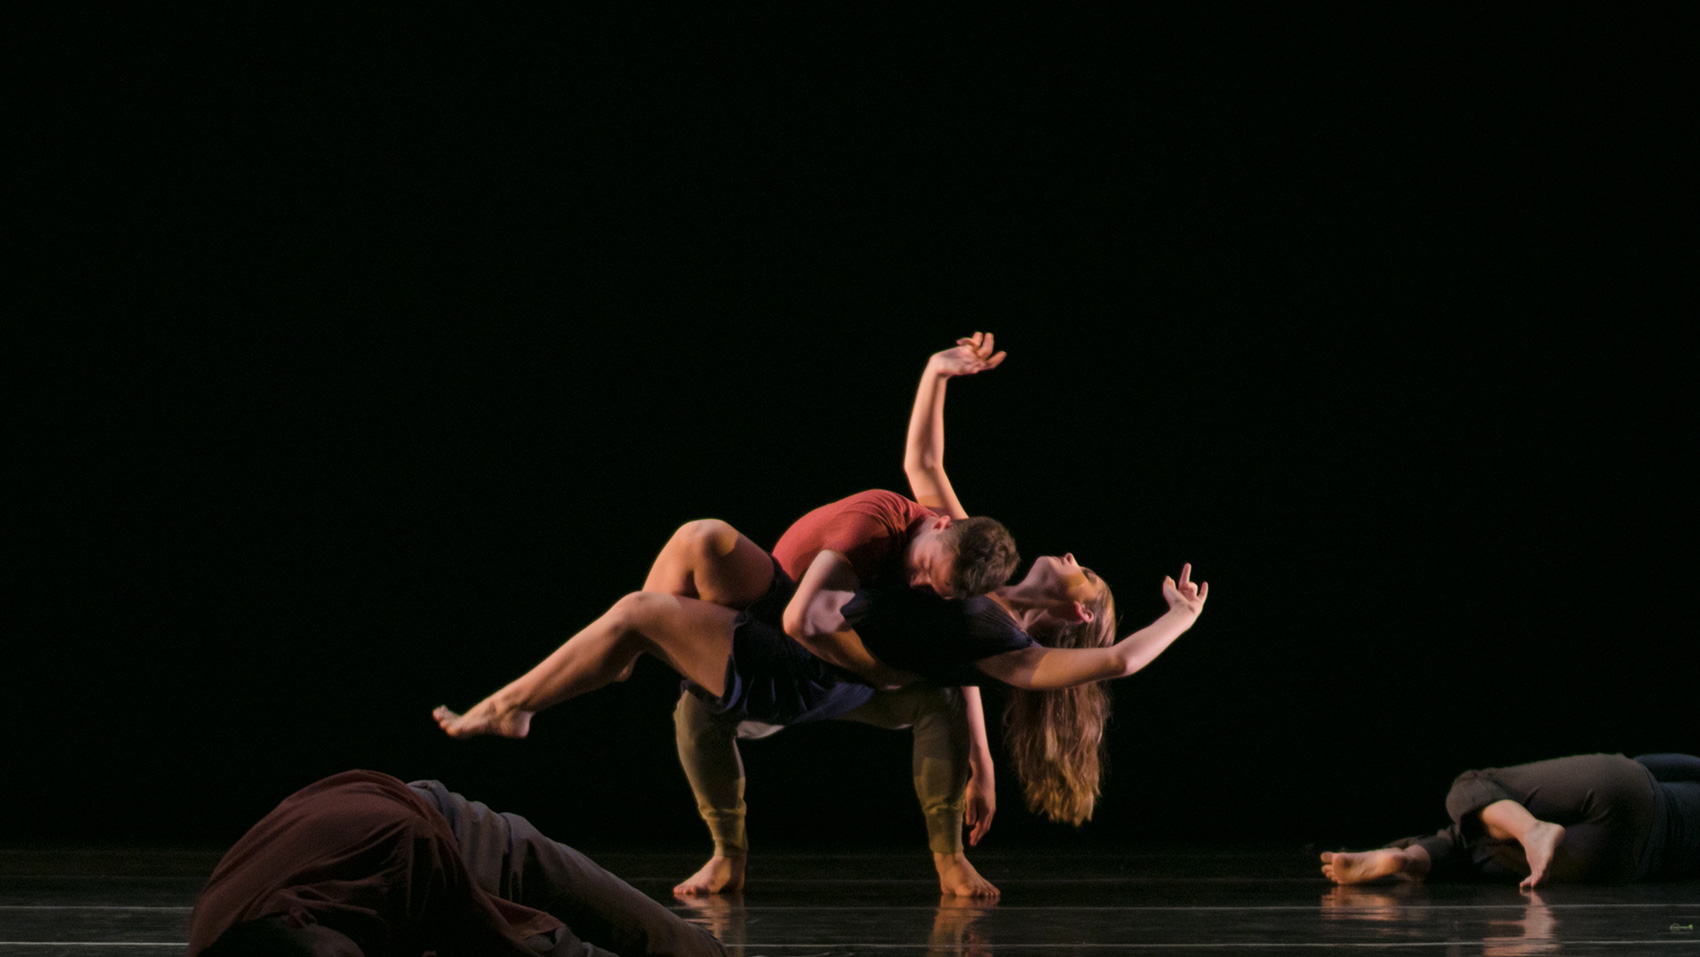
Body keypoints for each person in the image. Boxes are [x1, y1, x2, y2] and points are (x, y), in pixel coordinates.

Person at [188, 769, 723, 957]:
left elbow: (515, 940)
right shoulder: (228, 940)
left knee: (663, 941)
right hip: (351, 855)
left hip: (453, 836)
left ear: (303, 919)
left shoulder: (401, 851)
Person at [1320, 753, 1700, 889]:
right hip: (1622, 860)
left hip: (1628, 790)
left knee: (1474, 784)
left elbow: (1655, 766)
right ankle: (1409, 860)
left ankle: (1531, 829)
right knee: (1477, 839)